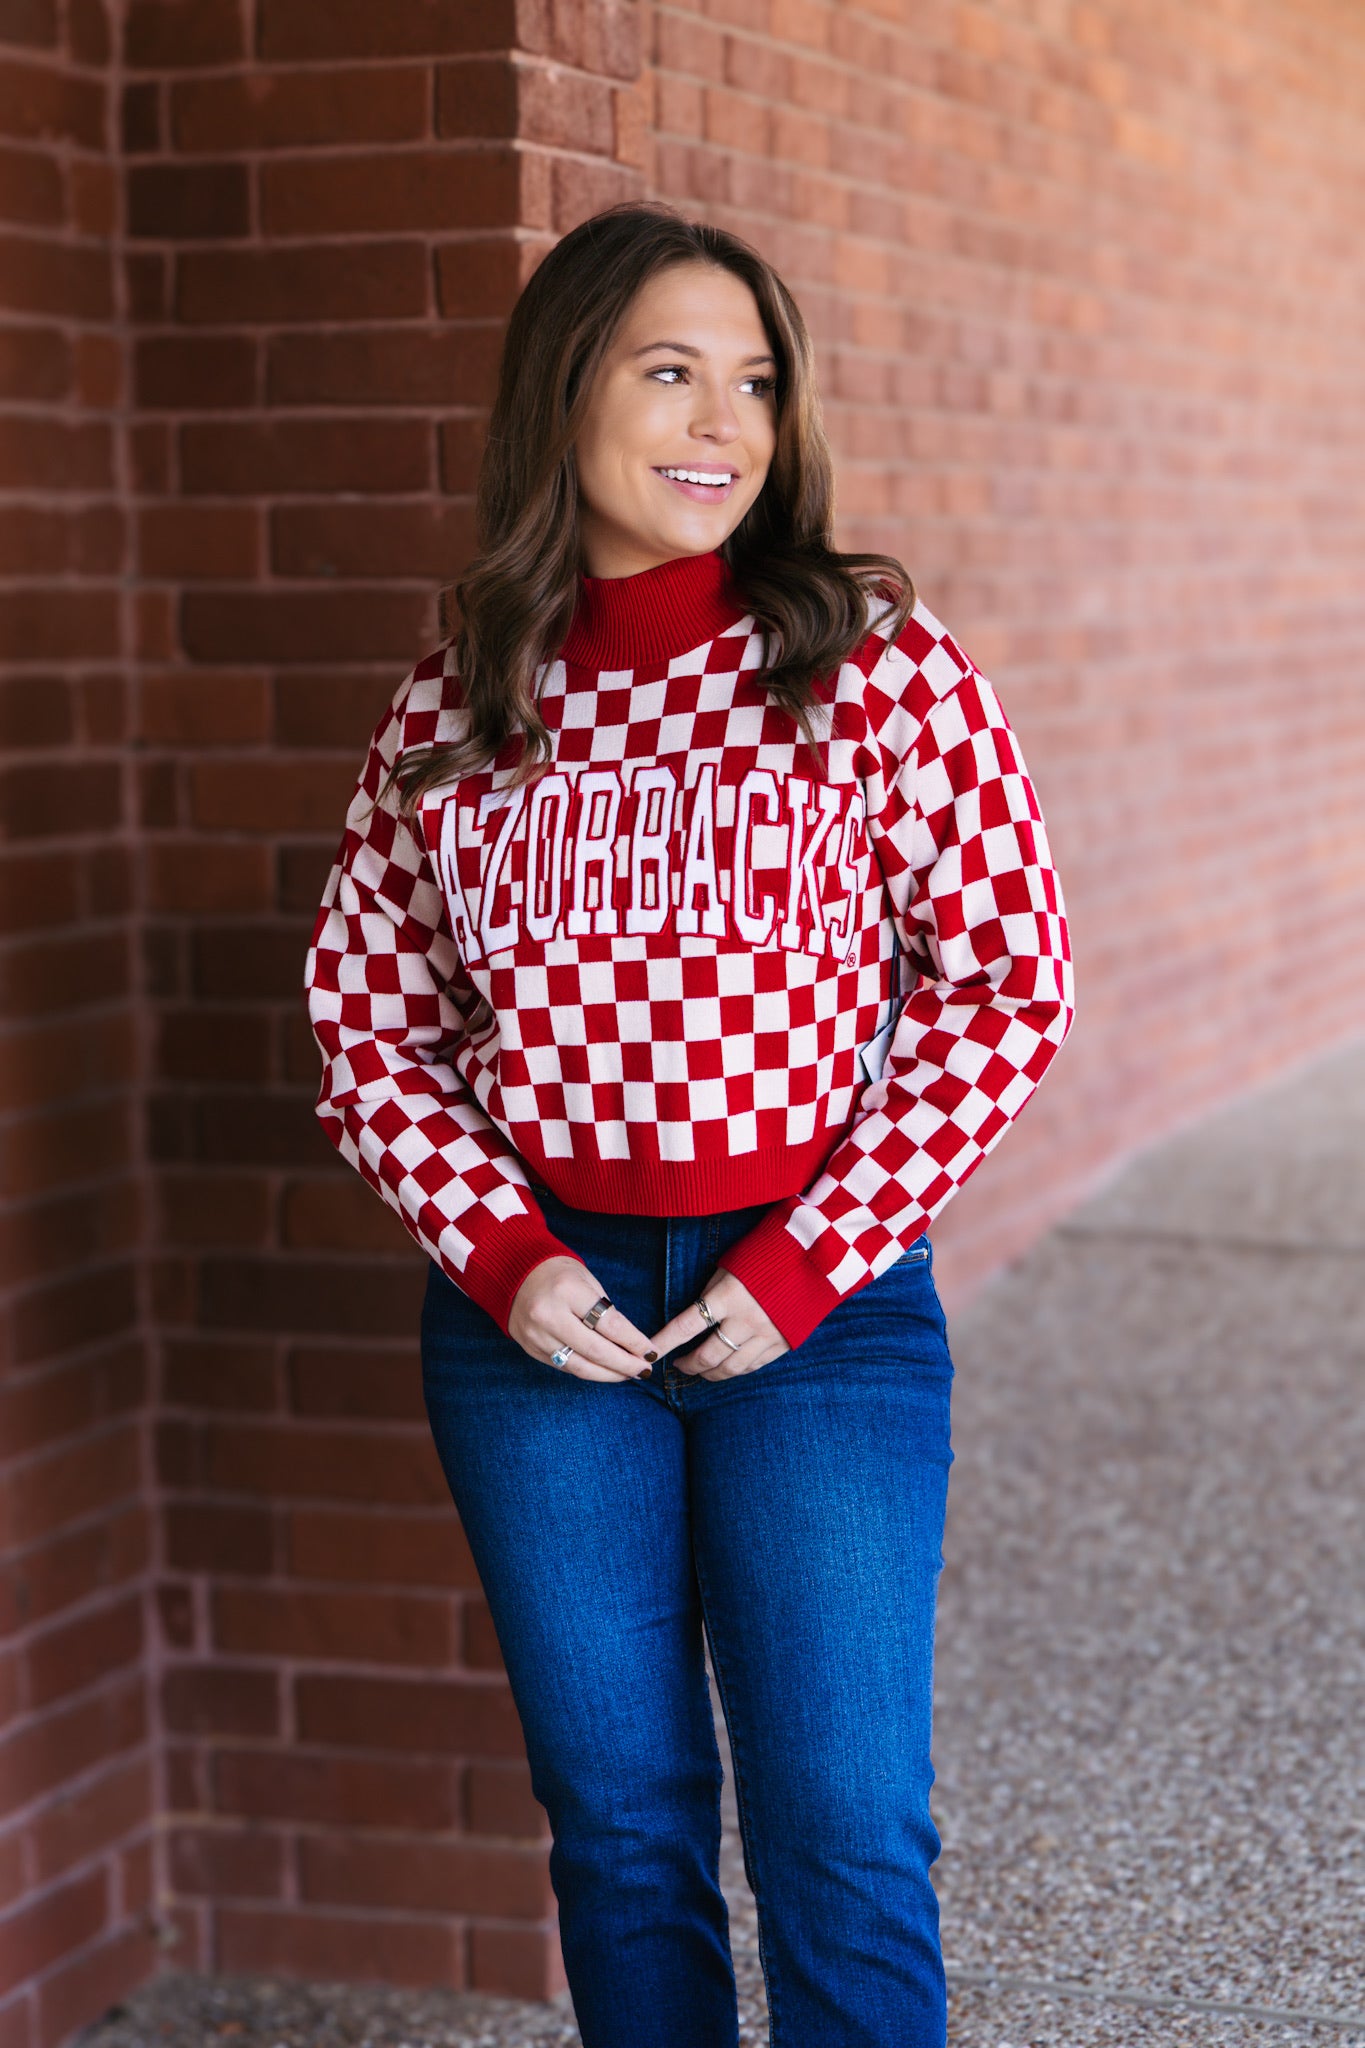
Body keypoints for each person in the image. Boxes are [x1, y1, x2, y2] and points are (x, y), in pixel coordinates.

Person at [304, 199, 1074, 2048]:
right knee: (623, 1825)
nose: (722, 421)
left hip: (815, 1315)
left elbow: (1006, 981)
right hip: (538, 1330)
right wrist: (497, 1251)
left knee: (840, 1825)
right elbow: (363, 1018)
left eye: (753, 382)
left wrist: (811, 1259)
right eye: (670, 372)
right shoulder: (465, 687)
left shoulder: (875, 667)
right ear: (561, 393)